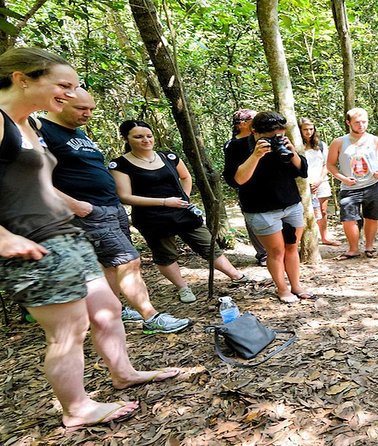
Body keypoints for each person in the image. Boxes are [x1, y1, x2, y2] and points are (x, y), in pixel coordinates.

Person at [0, 47, 179, 428]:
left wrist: (73, 206)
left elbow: (37, 181)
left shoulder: (27, 125)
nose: (69, 93)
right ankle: (76, 409)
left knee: (108, 311)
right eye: (62, 84)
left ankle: (123, 372)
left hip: (67, 234)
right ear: (22, 78)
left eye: (74, 85)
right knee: (68, 331)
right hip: (33, 244)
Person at [40, 88, 190, 333]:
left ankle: (114, 309)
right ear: (57, 102)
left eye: (91, 109)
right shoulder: (41, 130)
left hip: (110, 207)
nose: (87, 114)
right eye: (81, 109)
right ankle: (150, 317)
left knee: (110, 265)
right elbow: (33, 178)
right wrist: (75, 205)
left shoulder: (77, 133)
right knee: (129, 261)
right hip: (88, 212)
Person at [109, 120, 251, 303]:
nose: (146, 140)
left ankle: (236, 275)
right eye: (138, 137)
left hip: (182, 211)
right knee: (165, 254)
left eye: (149, 136)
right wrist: (164, 202)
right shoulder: (120, 165)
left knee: (207, 244)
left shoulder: (168, 157)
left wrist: (185, 197)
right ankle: (183, 288)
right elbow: (125, 196)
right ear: (126, 138)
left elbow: (185, 177)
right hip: (151, 217)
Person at [223, 111, 314, 303]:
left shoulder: (283, 142)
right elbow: (237, 180)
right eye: (270, 137)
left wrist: (291, 152)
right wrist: (256, 155)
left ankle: (296, 286)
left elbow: (303, 171)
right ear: (254, 132)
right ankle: (282, 289)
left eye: (279, 135)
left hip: (291, 204)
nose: (275, 140)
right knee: (276, 251)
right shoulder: (237, 147)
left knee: (292, 247)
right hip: (261, 209)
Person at [327, 108, 378, 259]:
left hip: (373, 185)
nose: (361, 125)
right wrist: (342, 178)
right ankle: (353, 249)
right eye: (357, 122)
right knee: (348, 219)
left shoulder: (377, 141)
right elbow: (330, 164)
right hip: (349, 187)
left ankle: (369, 247)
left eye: (364, 122)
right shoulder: (338, 142)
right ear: (348, 122)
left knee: (372, 216)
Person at [225, 109, 268, 266]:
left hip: (269, 187)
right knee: (254, 221)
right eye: (253, 119)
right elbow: (233, 174)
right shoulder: (232, 145)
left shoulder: (261, 138)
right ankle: (263, 254)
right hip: (248, 190)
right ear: (243, 124)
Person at [300, 117, 340, 246]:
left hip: (320, 182)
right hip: (302, 184)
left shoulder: (321, 145)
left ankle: (324, 237)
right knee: (302, 213)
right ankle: (303, 240)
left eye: (311, 129)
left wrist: (319, 180)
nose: (308, 132)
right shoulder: (295, 145)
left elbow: (327, 164)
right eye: (305, 129)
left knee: (322, 212)